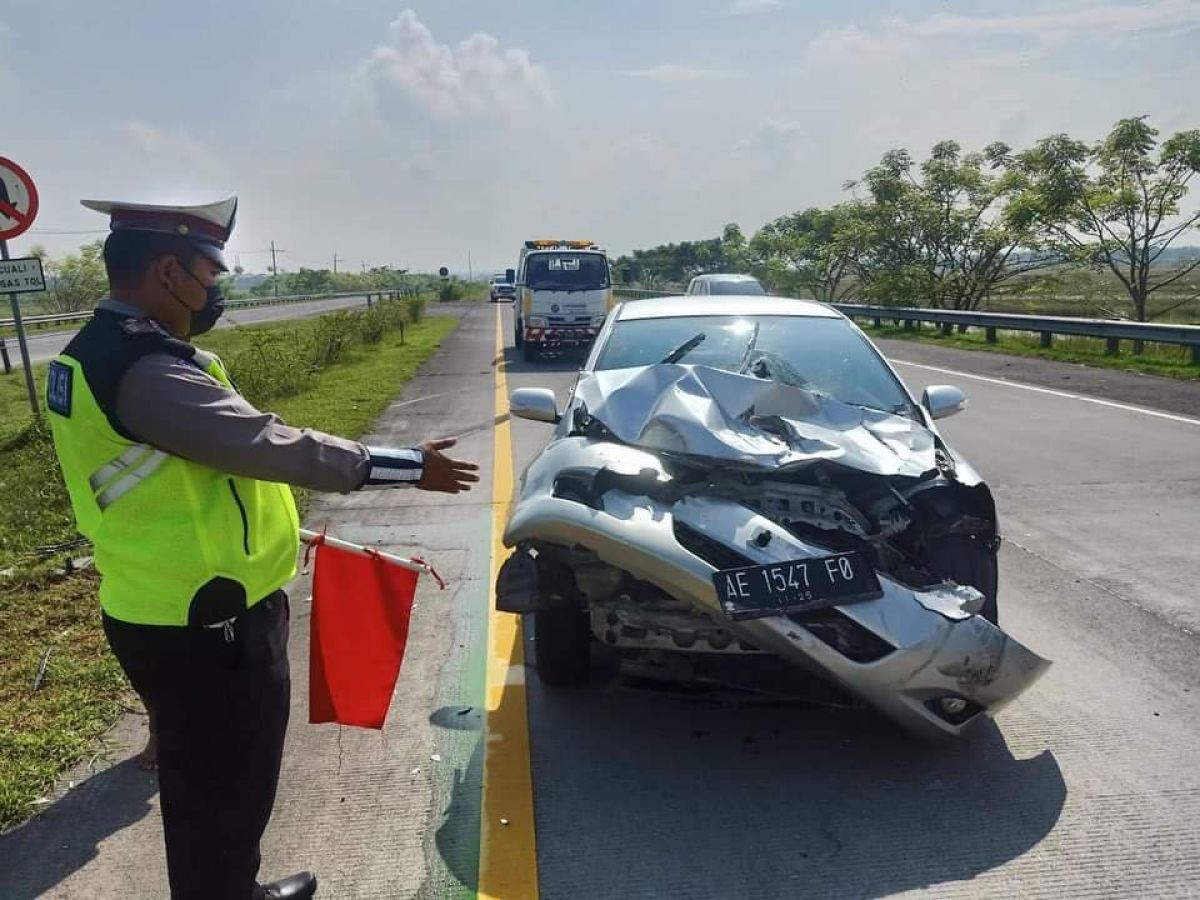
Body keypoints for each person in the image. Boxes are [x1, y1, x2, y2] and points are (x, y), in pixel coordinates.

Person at [44, 196, 479, 900]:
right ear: (168, 271)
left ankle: (229, 888)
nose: (215, 290)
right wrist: (405, 466)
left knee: (211, 785)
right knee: (225, 788)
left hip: (163, 601)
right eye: (210, 273)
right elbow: (267, 445)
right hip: (207, 622)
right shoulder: (144, 370)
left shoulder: (98, 349)